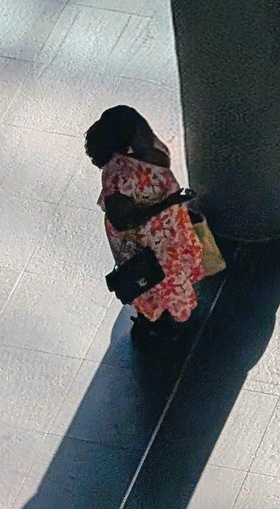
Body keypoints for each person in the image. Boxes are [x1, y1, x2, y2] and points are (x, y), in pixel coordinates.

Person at [85, 106, 205, 346]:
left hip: (165, 230)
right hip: (145, 240)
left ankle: (163, 318)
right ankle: (154, 325)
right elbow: (123, 221)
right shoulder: (118, 175)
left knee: (168, 274)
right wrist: (169, 203)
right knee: (152, 280)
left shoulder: (144, 153)